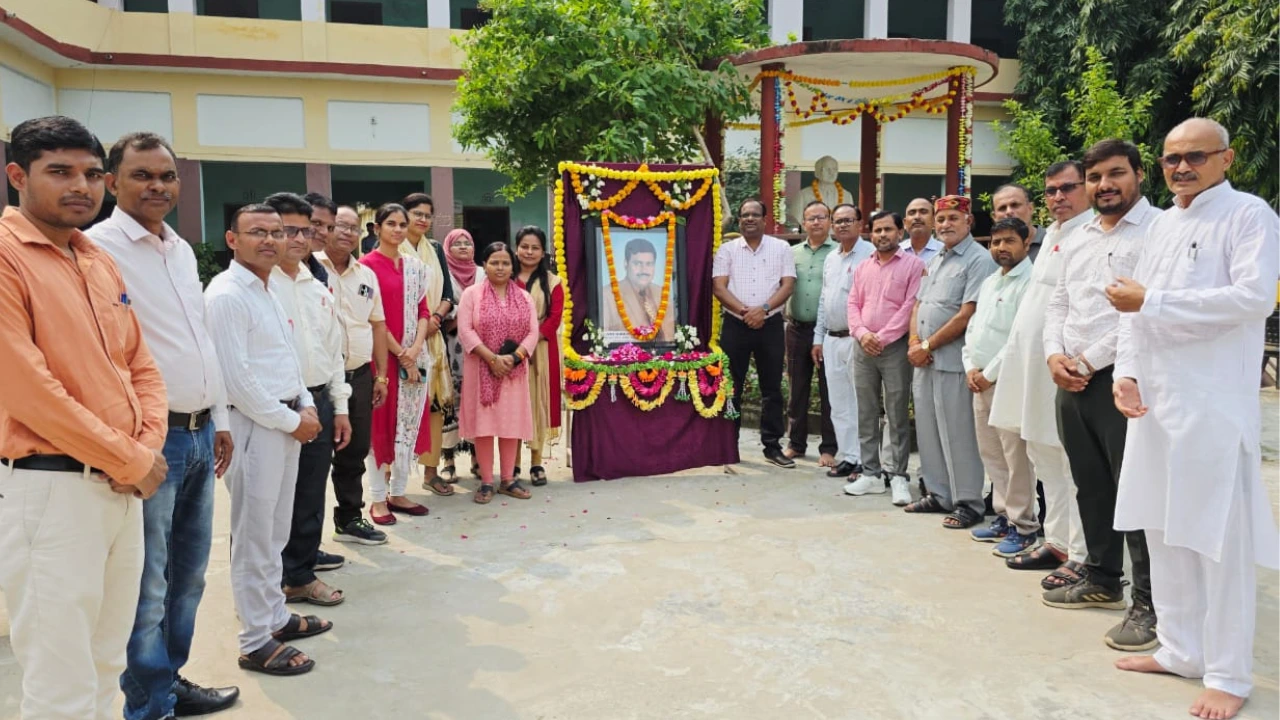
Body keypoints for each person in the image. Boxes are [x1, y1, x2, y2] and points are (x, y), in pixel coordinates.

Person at [1109, 118, 1280, 720]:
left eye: (1196, 157)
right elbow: (1130, 303)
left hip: (1212, 404)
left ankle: (1229, 674)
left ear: (1226, 159)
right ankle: (1181, 648)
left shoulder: (1249, 215)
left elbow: (1255, 298)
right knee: (1162, 527)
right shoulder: (1163, 225)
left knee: (1216, 539)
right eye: (1171, 159)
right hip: (1155, 402)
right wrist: (1124, 371)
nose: (1182, 168)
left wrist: (1151, 301)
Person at [0, 115, 168, 720]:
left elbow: (141, 367)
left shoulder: (95, 259)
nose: (82, 187)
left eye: (93, 174)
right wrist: (131, 458)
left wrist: (144, 452)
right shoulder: (6, 257)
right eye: (61, 172)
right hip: (50, 490)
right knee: (59, 679)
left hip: (120, 490)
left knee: (105, 665)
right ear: (17, 175)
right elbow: (27, 390)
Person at [89, 131, 239, 720]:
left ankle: (169, 680)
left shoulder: (179, 248)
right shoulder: (97, 248)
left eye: (167, 176)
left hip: (202, 432)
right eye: (143, 175)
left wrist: (220, 416)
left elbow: (199, 338)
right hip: (154, 438)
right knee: (148, 580)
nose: (158, 186)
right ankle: (148, 701)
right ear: (112, 182)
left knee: (190, 574)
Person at [1041, 139, 1161, 653]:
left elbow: (1141, 315)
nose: (1105, 185)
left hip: (1123, 382)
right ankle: (1103, 578)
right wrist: (1054, 357)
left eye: (1116, 174)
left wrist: (1087, 362)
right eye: (1095, 177)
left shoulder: (1159, 232)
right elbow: (1059, 302)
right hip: (1070, 381)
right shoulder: (1080, 236)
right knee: (1090, 484)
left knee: (1136, 492)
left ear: (1138, 174)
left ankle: (1150, 604)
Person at [205, 203, 329, 677]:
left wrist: (307, 403)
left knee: (275, 529)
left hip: (285, 419)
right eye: (257, 232)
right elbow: (236, 381)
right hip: (256, 425)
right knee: (255, 535)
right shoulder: (226, 295)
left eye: (277, 232)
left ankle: (274, 616)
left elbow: (286, 357)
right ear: (232, 239)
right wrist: (290, 419)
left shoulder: (266, 289)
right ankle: (255, 640)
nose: (271, 241)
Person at [989, 160, 1095, 582]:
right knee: (1041, 453)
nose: (1058, 197)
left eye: (1068, 188)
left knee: (1073, 463)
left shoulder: (1092, 233)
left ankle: (1082, 553)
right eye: (1051, 190)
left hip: (1063, 365)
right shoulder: (1053, 233)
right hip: (1030, 364)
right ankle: (1057, 541)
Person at [265, 192, 353, 608]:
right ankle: (264, 587)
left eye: (306, 228)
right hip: (272, 409)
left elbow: (332, 350)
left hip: (319, 401)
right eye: (287, 229)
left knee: (310, 494)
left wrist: (340, 407)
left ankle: (299, 575)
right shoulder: (255, 284)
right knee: (268, 503)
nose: (299, 237)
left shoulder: (316, 284)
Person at [901, 195, 996, 529]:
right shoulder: (938, 258)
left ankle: (968, 501)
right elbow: (917, 304)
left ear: (968, 221)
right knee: (928, 431)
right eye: (940, 220)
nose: (945, 225)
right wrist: (915, 342)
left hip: (953, 361)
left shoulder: (978, 260)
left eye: (953, 218)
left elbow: (967, 313)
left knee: (958, 434)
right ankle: (938, 493)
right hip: (924, 361)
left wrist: (927, 344)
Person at [962, 217, 1038, 557]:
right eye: (995, 242)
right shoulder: (991, 281)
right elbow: (974, 328)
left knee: (1016, 457)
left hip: (1008, 381)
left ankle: (1025, 527)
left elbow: (1019, 337)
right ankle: (1004, 517)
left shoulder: (1031, 282)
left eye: (1009, 241)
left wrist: (989, 372)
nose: (1001, 248)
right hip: (980, 381)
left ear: (1026, 242)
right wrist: (970, 367)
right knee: (991, 453)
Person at [315, 205, 391, 546]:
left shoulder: (366, 276)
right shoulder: (309, 270)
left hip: (359, 375)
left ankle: (349, 518)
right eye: (340, 226)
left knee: (355, 450)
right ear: (327, 229)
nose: (346, 233)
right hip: (317, 381)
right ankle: (305, 539)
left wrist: (382, 376)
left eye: (353, 228)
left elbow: (377, 324)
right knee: (313, 457)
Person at [844, 210, 925, 504]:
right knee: (866, 410)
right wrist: (862, 333)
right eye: (877, 230)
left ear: (899, 233)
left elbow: (910, 306)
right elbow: (853, 302)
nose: (882, 235)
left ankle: (898, 476)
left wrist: (883, 337)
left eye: (888, 229)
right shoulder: (863, 267)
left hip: (894, 348)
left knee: (896, 412)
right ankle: (871, 474)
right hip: (863, 347)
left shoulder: (914, 266)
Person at [361, 203, 433, 524]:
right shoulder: (366, 267)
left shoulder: (415, 267)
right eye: (391, 224)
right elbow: (371, 317)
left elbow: (424, 311)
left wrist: (415, 348)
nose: (398, 230)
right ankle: (377, 499)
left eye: (402, 224)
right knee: (380, 426)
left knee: (407, 425)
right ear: (377, 228)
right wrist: (400, 352)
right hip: (380, 360)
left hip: (414, 357)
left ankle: (399, 491)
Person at [712, 198, 797, 468]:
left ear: (764, 219)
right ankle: (727, 444)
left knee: (771, 388)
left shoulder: (781, 248)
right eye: (744, 215)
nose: (749, 218)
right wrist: (746, 312)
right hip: (735, 325)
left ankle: (772, 446)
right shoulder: (727, 250)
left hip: (770, 324)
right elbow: (719, 287)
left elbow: (788, 285)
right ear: (739, 220)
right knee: (730, 386)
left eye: (755, 214)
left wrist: (762, 310)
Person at [457, 241, 540, 503]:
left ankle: (507, 480)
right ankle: (485, 482)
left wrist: (514, 357)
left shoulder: (524, 297)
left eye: (505, 263)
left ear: (512, 266)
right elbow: (465, 330)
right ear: (485, 265)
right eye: (494, 262)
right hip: (481, 368)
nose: (500, 267)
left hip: (513, 372)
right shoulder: (471, 294)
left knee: (509, 424)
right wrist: (492, 358)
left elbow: (532, 332)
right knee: (484, 426)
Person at [399, 193, 458, 497]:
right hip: (401, 341)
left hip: (433, 339)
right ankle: (390, 481)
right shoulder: (391, 248)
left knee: (434, 407)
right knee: (400, 409)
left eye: (427, 215)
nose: (422, 219)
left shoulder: (434, 249)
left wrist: (436, 316)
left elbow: (448, 294)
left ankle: (431, 472)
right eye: (416, 213)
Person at [811, 203, 872, 478]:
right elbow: (825, 301)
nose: (843, 225)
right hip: (832, 339)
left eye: (849, 220)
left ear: (860, 224)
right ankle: (848, 457)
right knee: (839, 403)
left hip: (857, 339)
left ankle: (865, 460)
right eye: (838, 221)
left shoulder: (870, 255)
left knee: (861, 402)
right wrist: (818, 337)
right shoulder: (832, 258)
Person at [785, 200, 839, 466]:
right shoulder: (792, 253)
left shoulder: (840, 252)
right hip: (797, 329)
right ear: (803, 223)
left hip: (830, 333)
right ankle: (796, 443)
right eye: (811, 218)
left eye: (822, 217)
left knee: (830, 390)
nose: (816, 222)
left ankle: (829, 448)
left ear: (829, 221)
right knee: (797, 388)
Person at [512, 226, 564, 486]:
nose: (529, 252)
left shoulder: (553, 282)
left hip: (542, 351)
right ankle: (513, 464)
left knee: (538, 404)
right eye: (524, 246)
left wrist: (530, 343)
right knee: (513, 406)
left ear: (543, 251)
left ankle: (535, 462)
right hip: (509, 353)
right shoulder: (505, 277)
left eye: (535, 247)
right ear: (516, 248)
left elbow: (554, 319)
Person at [441, 228, 479, 480]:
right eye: (458, 244)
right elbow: (438, 309)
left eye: (468, 242)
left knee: (477, 401)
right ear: (448, 249)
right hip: (449, 348)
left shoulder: (483, 274)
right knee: (449, 402)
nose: (464, 247)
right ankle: (448, 460)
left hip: (478, 350)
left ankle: (479, 457)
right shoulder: (444, 275)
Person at [602, 236, 676, 342]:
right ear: (625, 264)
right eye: (637, 263)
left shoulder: (662, 293)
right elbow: (601, 342)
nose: (644, 270)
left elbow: (671, 335)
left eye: (649, 264)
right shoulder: (608, 295)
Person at [991, 183, 1046, 261]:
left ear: (1030, 208)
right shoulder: (994, 256)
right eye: (1002, 208)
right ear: (994, 217)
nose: (1009, 212)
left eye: (1015, 205)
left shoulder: (1052, 243)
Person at [901, 197, 944, 262]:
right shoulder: (895, 252)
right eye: (912, 213)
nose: (917, 217)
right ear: (905, 223)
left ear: (934, 221)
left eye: (923, 212)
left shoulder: (944, 252)